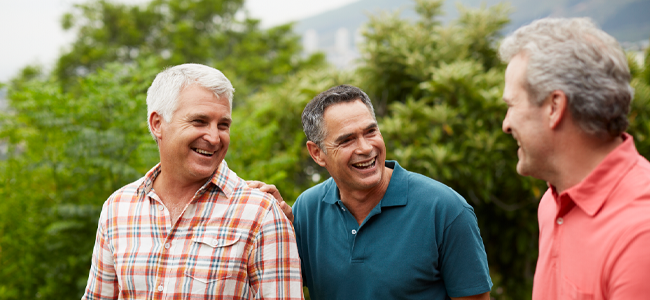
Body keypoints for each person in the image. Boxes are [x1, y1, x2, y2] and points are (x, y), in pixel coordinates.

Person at [82, 64, 303, 300]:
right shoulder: (118, 207)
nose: (214, 137)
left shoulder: (261, 212)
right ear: (157, 124)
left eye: (223, 125)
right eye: (199, 121)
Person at [499, 18, 650, 299]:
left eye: (511, 105)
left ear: (555, 107)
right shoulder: (553, 202)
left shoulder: (640, 233)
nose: (506, 124)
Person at [295, 85, 491, 299]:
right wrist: (270, 217)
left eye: (371, 132)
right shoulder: (306, 210)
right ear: (317, 153)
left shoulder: (445, 209)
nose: (366, 148)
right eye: (347, 140)